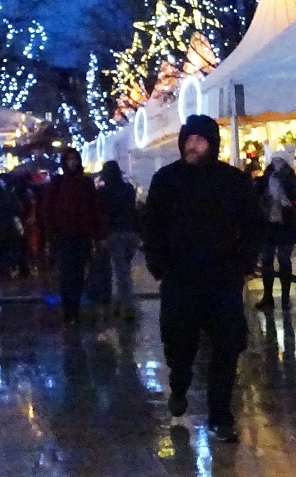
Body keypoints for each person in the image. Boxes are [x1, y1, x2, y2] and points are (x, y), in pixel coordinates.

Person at [141, 114, 262, 442]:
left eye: (200, 140)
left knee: (226, 347)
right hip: (180, 278)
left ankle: (220, 414)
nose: (193, 145)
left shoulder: (233, 181)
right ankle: (179, 386)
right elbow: (152, 225)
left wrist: (244, 262)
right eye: (189, 139)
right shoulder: (167, 179)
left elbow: (252, 224)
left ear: (212, 143)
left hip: (222, 278)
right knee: (179, 344)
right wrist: (159, 265)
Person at [41, 148, 106, 326]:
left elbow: (94, 210)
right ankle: (69, 311)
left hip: (81, 236)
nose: (72, 163)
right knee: (67, 275)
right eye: (69, 159)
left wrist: (97, 235)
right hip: (65, 236)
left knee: (77, 275)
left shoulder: (85, 183)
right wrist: (52, 234)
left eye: (74, 159)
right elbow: (48, 210)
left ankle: (73, 310)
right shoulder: (58, 183)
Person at [256, 153, 296, 311]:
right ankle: (270, 296)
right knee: (269, 260)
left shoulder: (288, 177)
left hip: (282, 223)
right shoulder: (270, 176)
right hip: (272, 223)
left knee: (282, 260)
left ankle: (283, 297)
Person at [96, 161, 140, 317]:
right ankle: (121, 302)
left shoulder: (103, 192)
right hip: (132, 232)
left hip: (114, 233)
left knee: (121, 272)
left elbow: (102, 213)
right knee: (124, 270)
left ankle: (127, 305)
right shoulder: (128, 189)